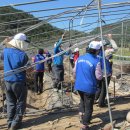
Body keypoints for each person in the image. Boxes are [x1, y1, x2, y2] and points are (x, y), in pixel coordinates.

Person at [2, 33, 29, 130]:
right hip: (19, 82)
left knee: (10, 103)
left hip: (7, 81)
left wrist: (5, 43)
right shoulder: (23, 55)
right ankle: (15, 123)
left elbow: (2, 56)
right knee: (21, 102)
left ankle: (10, 122)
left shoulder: (5, 51)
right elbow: (28, 68)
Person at [74, 41, 103, 130]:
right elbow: (98, 77)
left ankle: (81, 115)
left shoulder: (80, 58)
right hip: (89, 87)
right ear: (97, 51)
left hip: (79, 85)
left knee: (82, 100)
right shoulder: (96, 61)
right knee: (89, 107)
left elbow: (74, 71)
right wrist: (102, 74)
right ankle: (84, 125)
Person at [95, 34, 118, 107]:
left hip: (98, 73)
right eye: (106, 45)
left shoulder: (96, 52)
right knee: (104, 89)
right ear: (103, 46)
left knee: (99, 87)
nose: (106, 47)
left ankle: (94, 99)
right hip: (105, 73)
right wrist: (111, 39)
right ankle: (101, 103)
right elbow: (116, 49)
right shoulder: (106, 52)